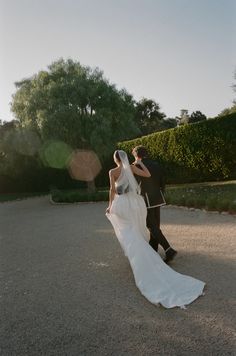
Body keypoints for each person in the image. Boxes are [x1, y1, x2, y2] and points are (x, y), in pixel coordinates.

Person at [106, 150, 205, 308]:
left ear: (115, 159)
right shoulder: (131, 168)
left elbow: (112, 190)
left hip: (122, 203)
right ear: (124, 157)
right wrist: (140, 163)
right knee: (139, 228)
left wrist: (110, 205)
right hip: (137, 203)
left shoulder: (113, 171)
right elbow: (147, 175)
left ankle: (140, 253)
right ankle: (150, 251)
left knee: (128, 230)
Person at [132, 145, 177, 263]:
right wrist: (161, 193)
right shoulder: (156, 164)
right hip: (158, 198)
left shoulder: (136, 166)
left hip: (146, 199)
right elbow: (163, 181)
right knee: (155, 225)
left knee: (151, 226)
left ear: (136, 155)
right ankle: (153, 249)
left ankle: (169, 250)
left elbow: (134, 184)